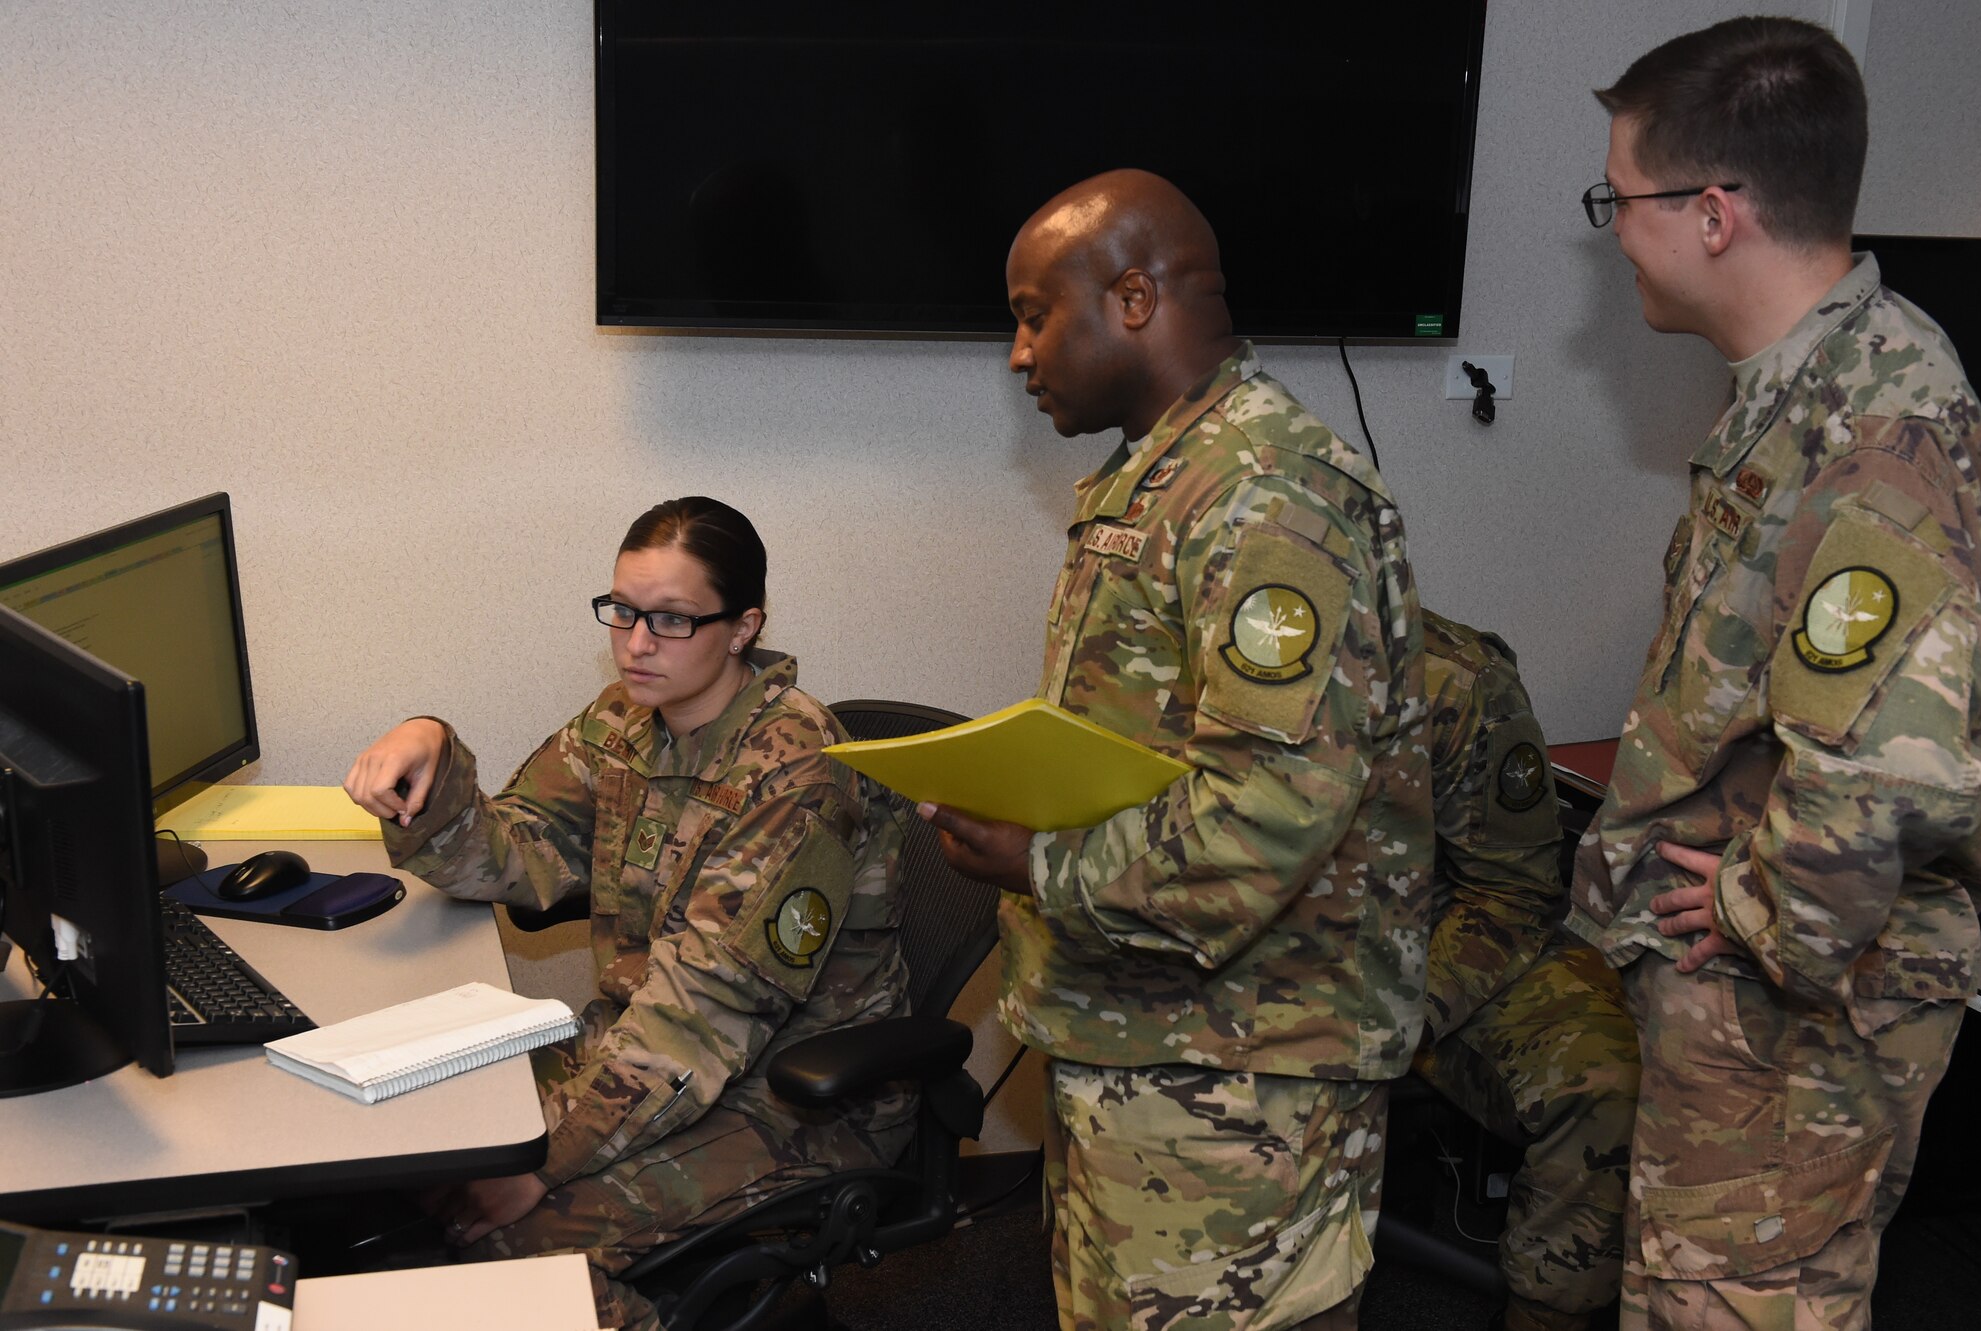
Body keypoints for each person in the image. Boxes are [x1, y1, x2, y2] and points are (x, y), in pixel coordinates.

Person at [924, 170, 1432, 1331]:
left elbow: (1265, 810)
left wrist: (1038, 862)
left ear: (1136, 298)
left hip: (1244, 1070)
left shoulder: (1267, 489)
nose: (1017, 354)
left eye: (1033, 312)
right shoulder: (1163, 474)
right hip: (1152, 1036)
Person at [1568, 18, 1981, 1328]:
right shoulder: (1800, 387)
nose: (1612, 231)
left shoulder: (1883, 419)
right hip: (1753, 1015)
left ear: (1711, 212)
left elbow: (1890, 762)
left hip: (1802, 1024)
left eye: (1617, 199)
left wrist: (1766, 913)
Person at [343, 496, 911, 1330]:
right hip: (648, 1056)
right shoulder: (626, 721)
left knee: (515, 1251)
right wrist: (431, 750)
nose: (637, 644)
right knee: (413, 1139)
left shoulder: (796, 773)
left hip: (788, 1103)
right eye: (624, 612)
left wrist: (542, 1167)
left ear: (744, 625)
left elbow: (705, 1015)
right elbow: (519, 852)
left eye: (672, 621)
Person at [1413, 610, 1637, 1331]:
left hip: (1433, 944)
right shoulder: (1160, 652)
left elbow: (1510, 892)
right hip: (1251, 946)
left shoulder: (1451, 678)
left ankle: (1550, 1314)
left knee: (1604, 1079)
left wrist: (1394, 1014)